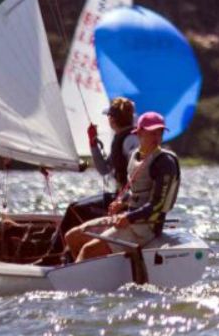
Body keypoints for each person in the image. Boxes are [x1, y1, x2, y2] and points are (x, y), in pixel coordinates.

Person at [67, 111, 181, 263]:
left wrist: (129, 216)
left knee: (88, 250)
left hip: (146, 227)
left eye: (159, 133)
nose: (157, 137)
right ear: (139, 133)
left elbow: (158, 204)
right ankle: (89, 275)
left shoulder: (165, 162)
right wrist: (123, 202)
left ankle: (74, 281)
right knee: (72, 236)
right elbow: (136, 191)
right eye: (152, 133)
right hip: (129, 220)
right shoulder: (135, 156)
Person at [52, 97, 138, 253]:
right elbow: (104, 169)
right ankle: (67, 252)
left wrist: (126, 200)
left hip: (124, 201)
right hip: (118, 197)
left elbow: (137, 169)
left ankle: (54, 254)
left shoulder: (129, 140)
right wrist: (93, 143)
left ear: (112, 119)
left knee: (74, 210)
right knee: (75, 208)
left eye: (109, 117)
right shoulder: (123, 138)